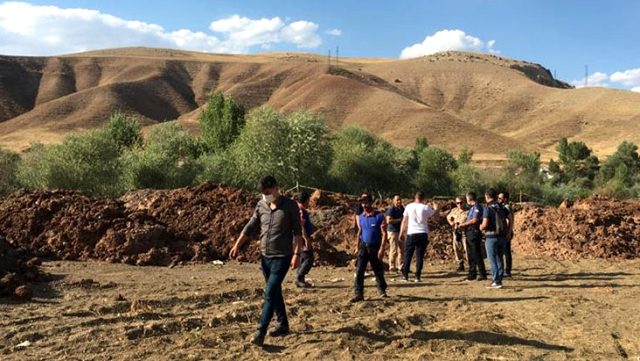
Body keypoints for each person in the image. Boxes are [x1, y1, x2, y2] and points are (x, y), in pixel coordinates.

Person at [229, 176, 303, 346]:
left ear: (277, 188)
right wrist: (237, 245)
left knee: (269, 292)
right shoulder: (261, 205)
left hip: (282, 257)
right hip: (265, 257)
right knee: (274, 290)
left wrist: (297, 254)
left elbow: (297, 233)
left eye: (268, 192)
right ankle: (283, 324)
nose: (265, 195)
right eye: (263, 193)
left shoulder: (290, 206)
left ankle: (260, 332)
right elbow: (250, 225)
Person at [351, 193, 388, 303]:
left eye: (366, 202)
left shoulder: (379, 216)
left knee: (377, 269)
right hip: (363, 246)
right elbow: (360, 231)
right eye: (362, 202)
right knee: (359, 270)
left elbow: (384, 234)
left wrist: (382, 248)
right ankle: (359, 293)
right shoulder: (362, 216)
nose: (364, 204)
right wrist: (357, 245)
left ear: (371, 202)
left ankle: (382, 289)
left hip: (374, 247)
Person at [399, 192, 437, 283]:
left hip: (411, 233)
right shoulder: (425, 207)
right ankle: (417, 276)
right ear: (423, 198)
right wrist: (436, 209)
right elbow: (435, 216)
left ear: (414, 198)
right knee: (420, 255)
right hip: (422, 232)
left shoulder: (408, 206)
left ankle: (405, 275)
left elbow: (404, 221)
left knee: (408, 254)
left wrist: (401, 232)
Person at [480, 188, 510, 289]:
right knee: (499, 259)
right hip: (502, 236)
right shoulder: (501, 206)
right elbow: (508, 217)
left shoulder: (487, 208)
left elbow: (485, 224)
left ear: (487, 196)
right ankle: (499, 279)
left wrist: (480, 227)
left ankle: (496, 281)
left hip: (491, 237)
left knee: (492, 259)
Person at [459, 191, 488, 281]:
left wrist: (463, 224)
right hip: (469, 232)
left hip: (474, 232)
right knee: (470, 253)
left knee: (476, 253)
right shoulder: (472, 208)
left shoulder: (477, 207)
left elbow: (474, 220)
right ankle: (472, 273)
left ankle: (482, 274)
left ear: (469, 198)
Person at [294, 192, 315, 288]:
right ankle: (299, 277)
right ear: (305, 200)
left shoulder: (297, 209)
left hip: (299, 237)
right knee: (309, 257)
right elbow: (301, 225)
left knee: (303, 257)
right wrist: (306, 238)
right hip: (301, 237)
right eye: (308, 200)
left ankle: (300, 278)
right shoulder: (301, 210)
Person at [447, 197, 468, 272]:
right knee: (457, 248)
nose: (459, 204)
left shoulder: (468, 211)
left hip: (465, 232)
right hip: (456, 232)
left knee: (467, 249)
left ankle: (471, 265)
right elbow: (448, 217)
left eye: (461, 202)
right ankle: (460, 264)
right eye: (457, 203)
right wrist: (451, 223)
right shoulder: (454, 210)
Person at [385, 194, 405, 272]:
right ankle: (392, 266)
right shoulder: (391, 209)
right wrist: (399, 220)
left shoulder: (402, 209)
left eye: (400, 200)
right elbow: (388, 221)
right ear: (393, 201)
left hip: (400, 231)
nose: (399, 201)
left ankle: (401, 266)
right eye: (397, 200)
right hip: (393, 231)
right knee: (393, 249)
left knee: (402, 250)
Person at [498, 192, 514, 277]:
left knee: (507, 252)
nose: (499, 200)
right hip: (505, 232)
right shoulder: (504, 207)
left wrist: (508, 232)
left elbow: (509, 221)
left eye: (500, 198)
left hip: (507, 232)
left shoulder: (507, 207)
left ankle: (507, 271)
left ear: (505, 199)